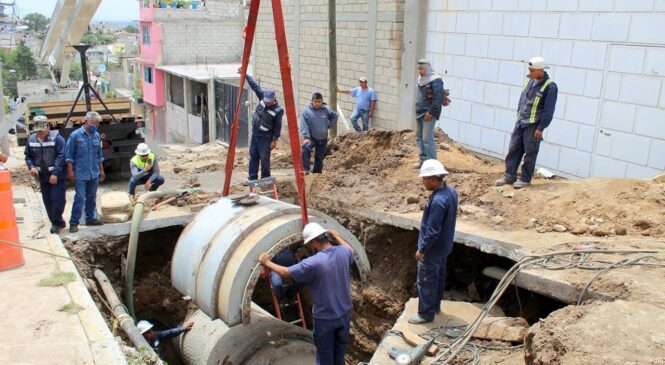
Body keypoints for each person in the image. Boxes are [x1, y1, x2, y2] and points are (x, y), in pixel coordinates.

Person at [259, 223, 354, 365]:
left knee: (324, 356)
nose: (311, 247)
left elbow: (285, 272)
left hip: (326, 319)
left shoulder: (313, 263)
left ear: (314, 242)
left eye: (310, 244)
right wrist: (337, 236)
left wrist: (266, 262)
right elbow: (351, 250)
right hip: (345, 313)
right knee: (339, 352)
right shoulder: (343, 252)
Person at [495, 56, 558, 189]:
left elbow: (548, 111)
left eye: (532, 70)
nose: (530, 72)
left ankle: (525, 179)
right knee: (514, 149)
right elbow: (523, 99)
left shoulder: (550, 87)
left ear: (541, 70)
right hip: (521, 122)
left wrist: (540, 128)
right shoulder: (530, 81)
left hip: (534, 125)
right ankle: (509, 176)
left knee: (530, 152)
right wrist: (519, 115)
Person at [409, 159, 458, 324]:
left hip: (432, 250)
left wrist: (422, 250)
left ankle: (425, 314)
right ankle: (434, 306)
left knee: (426, 280)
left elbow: (432, 231)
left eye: (424, 179)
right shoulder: (451, 192)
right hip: (444, 247)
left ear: (432, 178)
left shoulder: (437, 201)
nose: (423, 182)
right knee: (438, 277)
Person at [24, 116, 67, 233]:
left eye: (42, 131)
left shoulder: (57, 139)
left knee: (57, 199)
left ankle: (57, 222)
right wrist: (32, 167)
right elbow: (28, 156)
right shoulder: (31, 140)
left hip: (57, 176)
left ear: (48, 127)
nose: (40, 133)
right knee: (47, 200)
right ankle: (56, 222)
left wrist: (55, 173)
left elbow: (61, 156)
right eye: (37, 131)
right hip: (42, 176)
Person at [65, 111, 105, 233]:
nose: (95, 126)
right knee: (80, 198)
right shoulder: (75, 136)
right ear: (86, 122)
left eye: (97, 124)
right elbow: (69, 156)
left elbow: (99, 155)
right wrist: (70, 172)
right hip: (80, 173)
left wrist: (101, 170)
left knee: (92, 197)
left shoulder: (96, 136)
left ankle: (90, 218)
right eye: (93, 123)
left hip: (94, 172)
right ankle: (74, 222)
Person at [243, 70, 284, 182]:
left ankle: (265, 179)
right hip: (255, 134)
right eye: (266, 101)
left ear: (274, 99)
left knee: (264, 158)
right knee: (253, 155)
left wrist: (274, 140)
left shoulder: (278, 111)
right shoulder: (262, 97)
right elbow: (255, 86)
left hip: (266, 137)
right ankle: (252, 178)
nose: (267, 103)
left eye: (269, 102)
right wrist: (245, 75)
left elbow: (278, 127)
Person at [414, 59, 444, 169]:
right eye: (419, 69)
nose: (420, 72)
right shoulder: (421, 79)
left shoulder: (436, 80)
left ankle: (432, 165)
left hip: (428, 113)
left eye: (422, 69)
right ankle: (423, 161)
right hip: (419, 112)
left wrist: (431, 112)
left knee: (427, 139)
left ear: (427, 68)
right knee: (419, 137)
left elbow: (438, 98)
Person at [301, 92, 338, 174]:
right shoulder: (306, 111)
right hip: (311, 137)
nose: (317, 103)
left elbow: (335, 115)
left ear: (322, 101)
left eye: (319, 101)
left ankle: (316, 174)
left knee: (319, 157)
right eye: (315, 101)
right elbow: (304, 125)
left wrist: (328, 125)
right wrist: (306, 137)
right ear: (312, 101)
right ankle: (305, 169)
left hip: (322, 138)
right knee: (306, 147)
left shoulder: (326, 109)